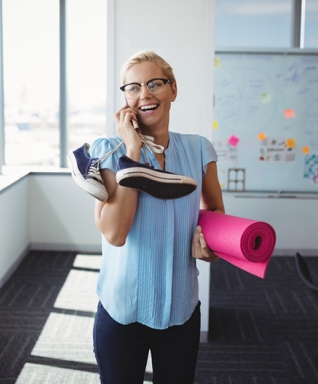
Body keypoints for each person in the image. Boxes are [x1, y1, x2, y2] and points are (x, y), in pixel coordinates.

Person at [89, 50, 225, 384]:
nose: (144, 94)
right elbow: (115, 233)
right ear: (125, 99)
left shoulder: (199, 149)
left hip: (181, 309)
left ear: (173, 90)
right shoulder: (107, 150)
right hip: (122, 312)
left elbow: (215, 213)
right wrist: (132, 150)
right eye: (132, 88)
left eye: (154, 84)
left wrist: (211, 245)